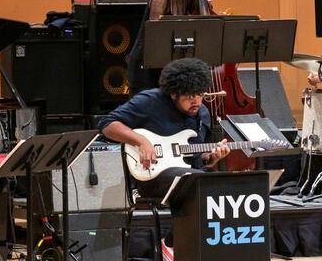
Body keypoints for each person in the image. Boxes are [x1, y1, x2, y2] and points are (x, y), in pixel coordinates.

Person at [99, 58, 231, 211]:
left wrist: (211, 158)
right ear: (174, 94)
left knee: (224, 182)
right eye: (189, 97)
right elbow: (107, 125)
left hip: (186, 174)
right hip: (151, 176)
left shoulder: (202, 114)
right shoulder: (150, 101)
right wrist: (141, 141)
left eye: (200, 95)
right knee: (199, 181)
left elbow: (194, 160)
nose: (196, 102)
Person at [127, 0, 216, 92]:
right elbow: (154, 37)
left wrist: (207, 3)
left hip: (170, 63)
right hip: (148, 66)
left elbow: (202, 23)